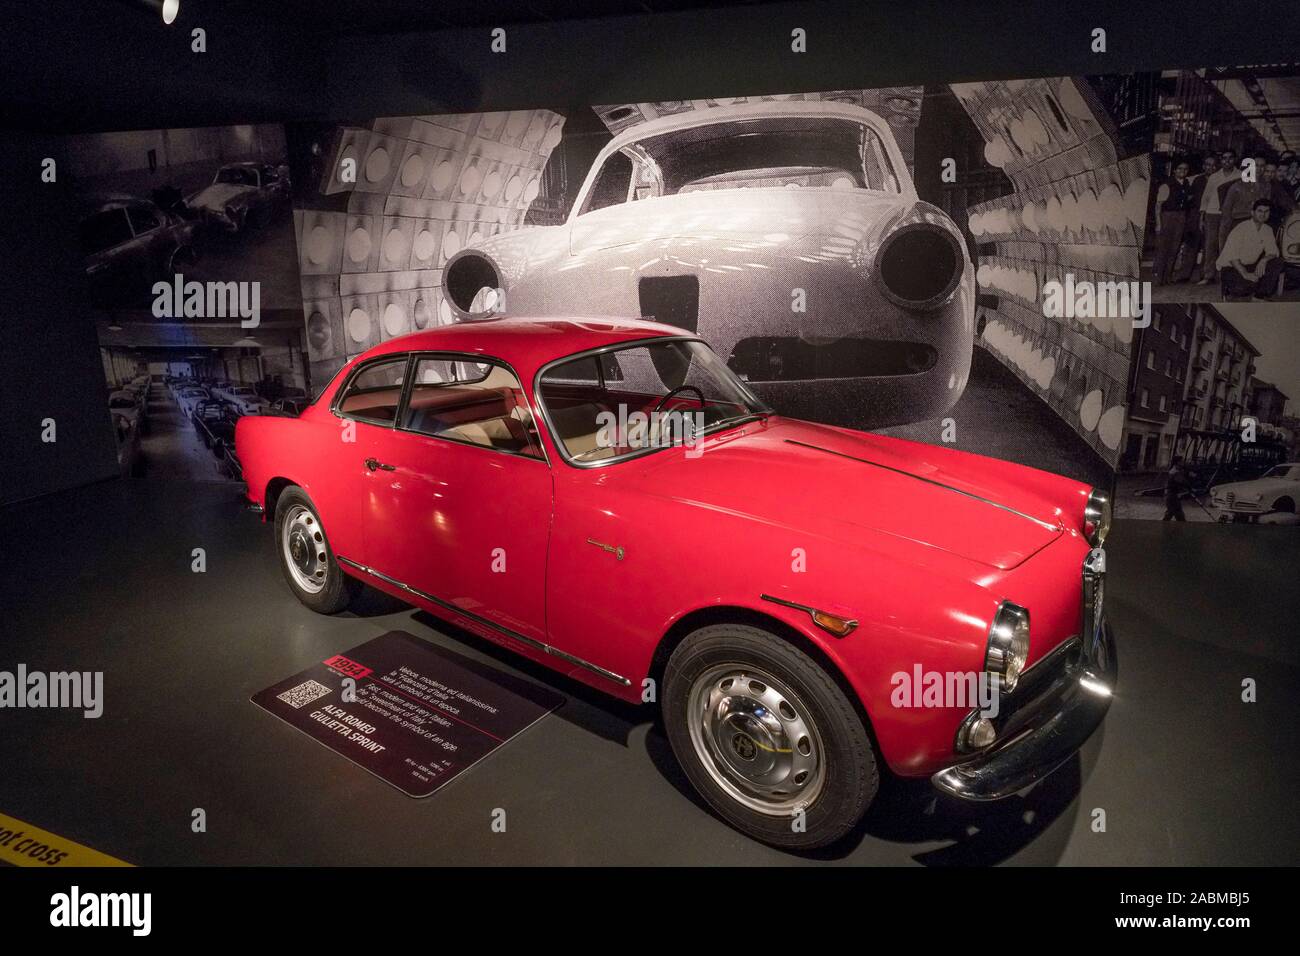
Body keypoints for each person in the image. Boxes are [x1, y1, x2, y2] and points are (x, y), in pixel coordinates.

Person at [1217, 199, 1283, 298]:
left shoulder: (1267, 229)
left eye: (1266, 211)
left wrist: (1264, 260)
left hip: (1251, 266)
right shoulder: (1241, 228)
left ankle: (1258, 297)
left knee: (1277, 261)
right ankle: (1234, 288)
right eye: (1260, 211)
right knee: (1242, 289)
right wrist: (1246, 274)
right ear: (1252, 213)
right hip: (1232, 268)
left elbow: (1273, 251)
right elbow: (1232, 257)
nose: (1263, 214)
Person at [1197, 149, 1238, 284]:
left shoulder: (1241, 175)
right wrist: (1202, 217)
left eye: (1230, 158)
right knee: (1210, 245)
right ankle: (1208, 275)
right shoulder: (1214, 177)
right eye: (1224, 158)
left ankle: (1224, 276)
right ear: (1221, 161)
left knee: (1226, 245)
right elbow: (1206, 197)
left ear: (1235, 160)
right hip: (1212, 214)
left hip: (1229, 215)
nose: (1227, 161)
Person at [1153, 160, 1196, 284]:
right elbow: (1158, 206)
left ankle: (1168, 277)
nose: (1182, 171)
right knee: (1163, 249)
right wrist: (1158, 224)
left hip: (1181, 217)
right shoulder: (1166, 185)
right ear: (1174, 170)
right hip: (1167, 217)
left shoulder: (1187, 183)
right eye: (1180, 169)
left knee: (1174, 248)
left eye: (1185, 169)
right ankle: (1158, 278)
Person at [1177, 155, 1217, 282]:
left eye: (1212, 165)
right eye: (1207, 164)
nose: (1209, 167)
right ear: (1203, 166)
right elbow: (1190, 198)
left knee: (1208, 246)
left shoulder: (1218, 180)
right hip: (1195, 216)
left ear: (1216, 167)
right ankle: (1184, 275)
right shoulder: (1197, 180)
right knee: (1191, 246)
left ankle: (1205, 275)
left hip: (1211, 216)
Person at [1163, 456, 1188, 522]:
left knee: (1172, 513)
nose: (1183, 462)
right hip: (1172, 496)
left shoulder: (1176, 471)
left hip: (1172, 495)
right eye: (1182, 461)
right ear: (1178, 462)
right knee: (1177, 515)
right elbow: (1181, 482)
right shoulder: (1175, 472)